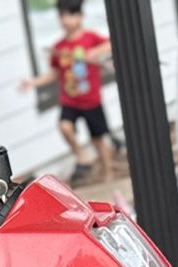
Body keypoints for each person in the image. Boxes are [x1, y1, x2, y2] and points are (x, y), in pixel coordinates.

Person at [19, 0, 115, 185]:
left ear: (80, 17)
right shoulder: (60, 47)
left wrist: (94, 53)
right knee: (65, 126)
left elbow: (111, 44)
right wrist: (33, 82)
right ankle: (82, 156)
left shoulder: (90, 38)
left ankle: (108, 172)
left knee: (99, 140)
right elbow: (54, 74)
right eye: (62, 16)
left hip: (91, 100)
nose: (65, 20)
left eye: (70, 15)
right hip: (70, 100)